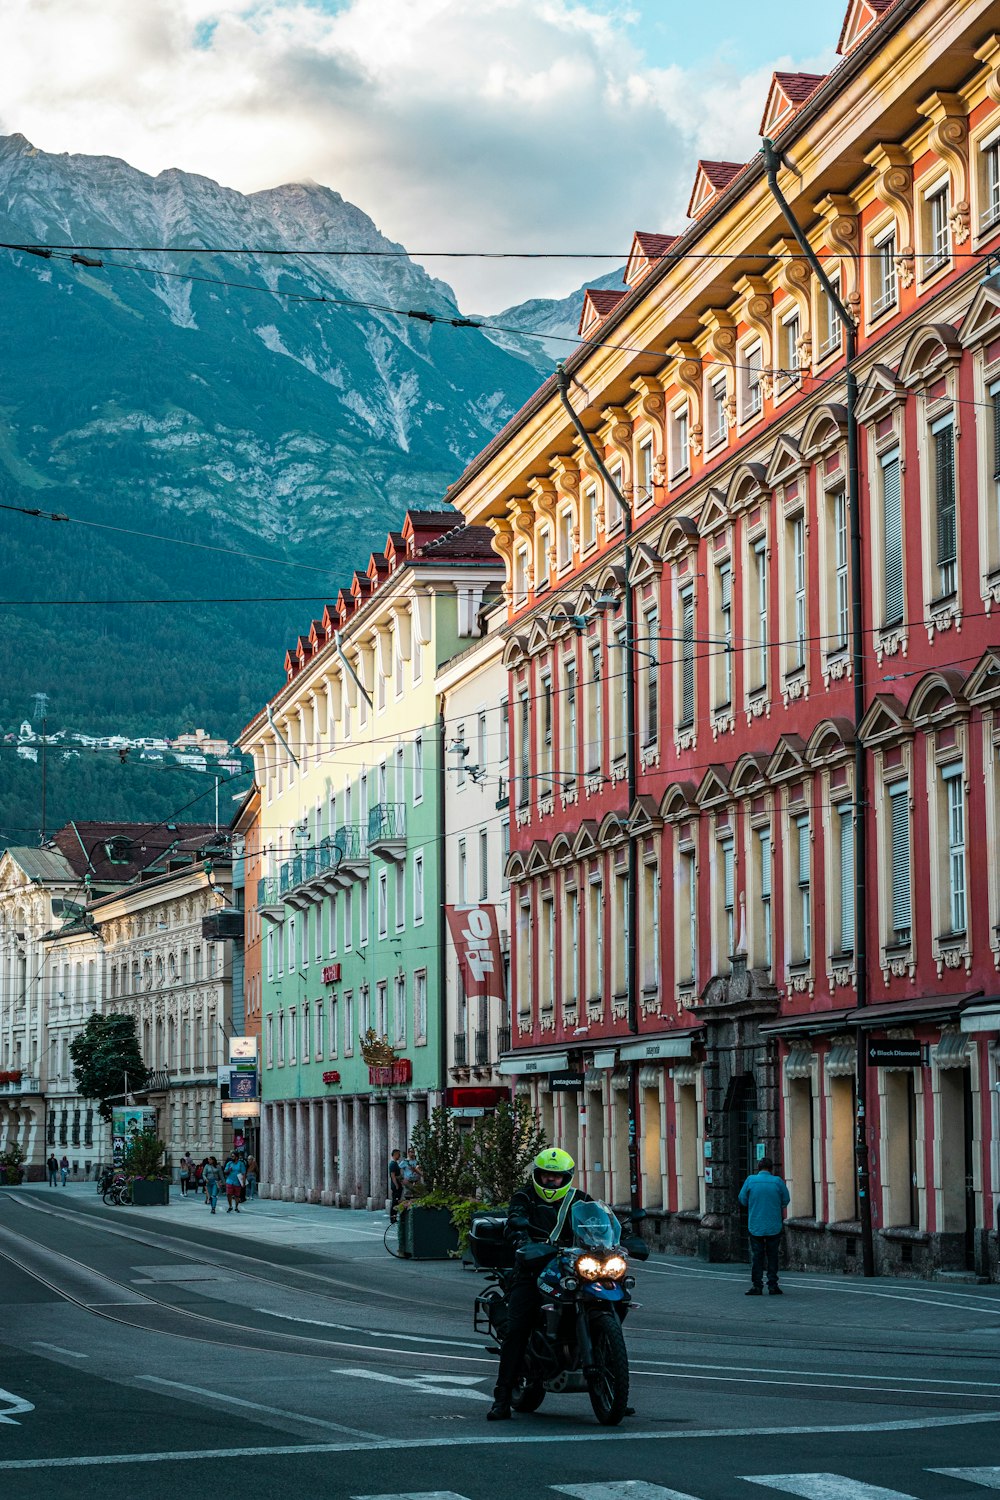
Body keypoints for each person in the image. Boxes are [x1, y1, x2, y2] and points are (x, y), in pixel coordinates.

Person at [487, 1148, 591, 1422]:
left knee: (606, 1303)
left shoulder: (579, 1199)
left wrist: (620, 1237)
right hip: (531, 1269)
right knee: (518, 1329)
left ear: (566, 1177)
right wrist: (520, 1238)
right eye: (545, 1176)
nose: (550, 1182)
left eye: (556, 1178)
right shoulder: (524, 1197)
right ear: (537, 1175)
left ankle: (614, 1383)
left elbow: (597, 1221)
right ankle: (502, 1397)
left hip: (571, 1269)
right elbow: (514, 1220)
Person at [738, 1156, 791, 1296]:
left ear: (758, 1168)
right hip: (774, 1224)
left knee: (757, 1256)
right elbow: (786, 1199)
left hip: (755, 1224)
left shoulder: (750, 1180)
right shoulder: (777, 1182)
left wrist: (753, 1205)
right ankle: (773, 1285)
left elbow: (742, 1199)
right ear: (771, 1168)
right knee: (773, 1255)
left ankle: (757, 1285)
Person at [388, 1149, 404, 1224]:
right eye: (398, 1154)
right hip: (396, 1186)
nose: (399, 1156)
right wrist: (396, 1185)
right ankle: (393, 1217)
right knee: (395, 1201)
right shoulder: (393, 1164)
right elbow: (393, 1175)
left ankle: (394, 1216)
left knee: (396, 1201)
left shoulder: (396, 1163)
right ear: (394, 1154)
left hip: (398, 1184)